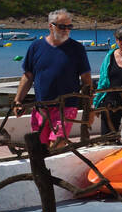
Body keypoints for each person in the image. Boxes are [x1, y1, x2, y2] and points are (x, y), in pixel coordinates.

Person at [13, 9, 92, 146]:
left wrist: (89, 107)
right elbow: (28, 76)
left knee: (57, 144)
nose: (66, 30)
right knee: (39, 146)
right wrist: (18, 100)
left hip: (66, 107)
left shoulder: (77, 48)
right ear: (51, 26)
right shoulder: (36, 47)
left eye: (69, 27)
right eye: (62, 26)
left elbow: (86, 79)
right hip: (41, 107)